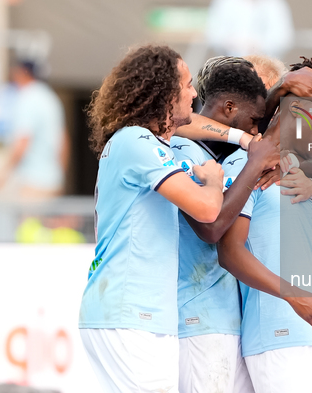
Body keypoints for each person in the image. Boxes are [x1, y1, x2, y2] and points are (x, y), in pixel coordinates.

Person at [78, 45, 225, 393]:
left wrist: (243, 139)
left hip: (137, 312)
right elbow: (206, 210)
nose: (194, 93)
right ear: (163, 93)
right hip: (130, 311)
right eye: (187, 85)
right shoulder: (137, 141)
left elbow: (193, 127)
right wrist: (215, 181)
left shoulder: (144, 142)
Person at [217, 92, 312, 393]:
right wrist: (295, 297)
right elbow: (229, 252)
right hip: (278, 332)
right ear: (292, 116)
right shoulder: (245, 165)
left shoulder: (302, 169)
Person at [171, 63, 280, 393]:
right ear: (229, 108)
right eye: (253, 121)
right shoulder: (182, 149)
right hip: (197, 318)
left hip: (229, 319)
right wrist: (256, 160)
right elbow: (211, 227)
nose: (257, 131)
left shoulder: (225, 150)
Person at [0, 61, 68, 198]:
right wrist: (60, 176)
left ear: (21, 73)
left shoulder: (28, 98)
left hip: (32, 182)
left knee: (25, 219)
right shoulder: (51, 98)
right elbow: (63, 141)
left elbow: (23, 141)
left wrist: (3, 172)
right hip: (52, 182)